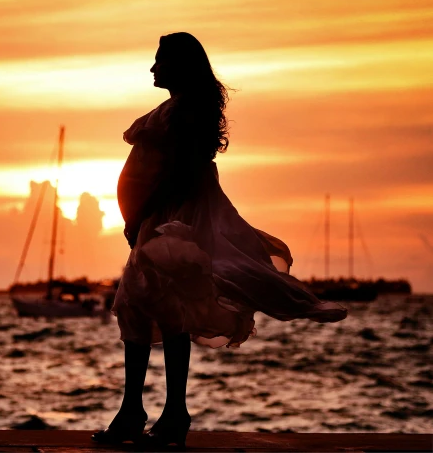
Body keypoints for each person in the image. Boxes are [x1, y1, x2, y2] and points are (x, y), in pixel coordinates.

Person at [92, 32, 348, 448]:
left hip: (174, 219)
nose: (153, 68)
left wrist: (140, 214)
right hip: (157, 219)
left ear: (180, 65)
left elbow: (178, 174)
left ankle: (168, 412)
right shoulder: (175, 109)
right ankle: (136, 410)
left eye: (160, 60)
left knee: (166, 309)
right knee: (137, 308)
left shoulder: (188, 113)